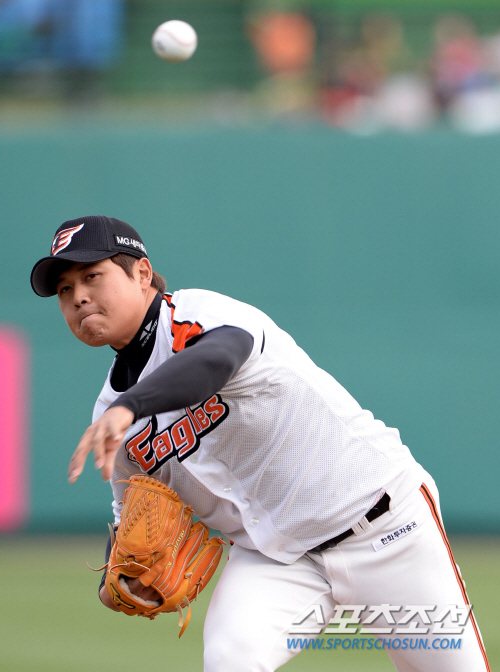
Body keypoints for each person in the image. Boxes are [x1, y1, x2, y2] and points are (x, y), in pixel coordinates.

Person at [30, 215, 490, 672]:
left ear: (143, 273)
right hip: (276, 559)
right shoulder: (111, 414)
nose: (79, 296)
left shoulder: (196, 315)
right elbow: (128, 514)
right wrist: (119, 582)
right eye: (65, 289)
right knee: (231, 659)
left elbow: (219, 357)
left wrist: (131, 406)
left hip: (381, 526)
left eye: (92, 276)